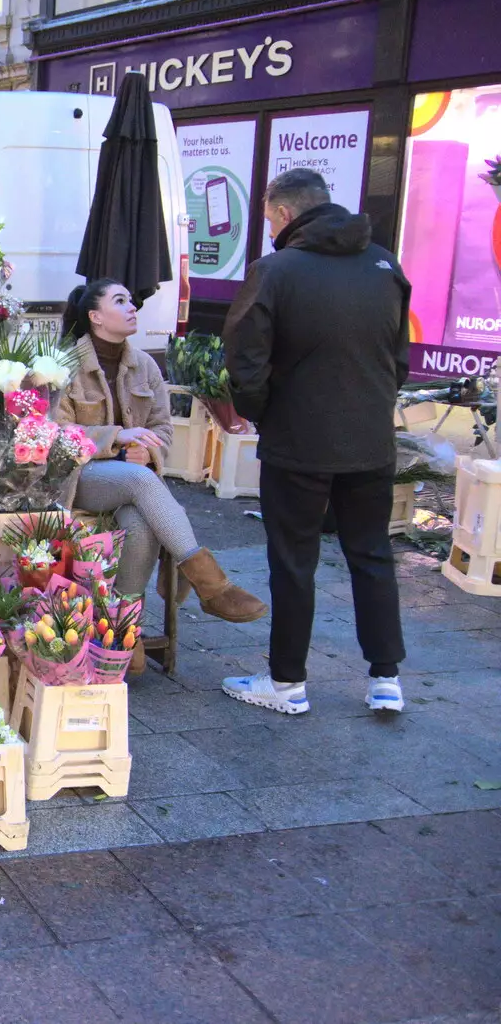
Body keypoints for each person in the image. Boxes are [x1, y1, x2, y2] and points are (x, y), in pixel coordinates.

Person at [222, 168, 411, 716]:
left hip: (298, 440)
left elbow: (246, 359)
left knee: (293, 559)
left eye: (267, 218)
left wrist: (262, 412)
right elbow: (399, 356)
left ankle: (287, 683)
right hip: (371, 438)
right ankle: (385, 678)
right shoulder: (384, 264)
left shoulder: (275, 270)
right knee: (372, 552)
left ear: (282, 213)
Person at [55, 278, 268, 671]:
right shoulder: (66, 366)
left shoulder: (146, 366)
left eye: (131, 300)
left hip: (134, 479)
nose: (133, 306)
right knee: (141, 483)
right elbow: (57, 434)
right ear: (95, 316)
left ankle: (122, 633)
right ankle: (209, 584)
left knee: (141, 523)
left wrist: (146, 449)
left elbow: (163, 430)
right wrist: (117, 439)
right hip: (79, 478)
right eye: (120, 301)